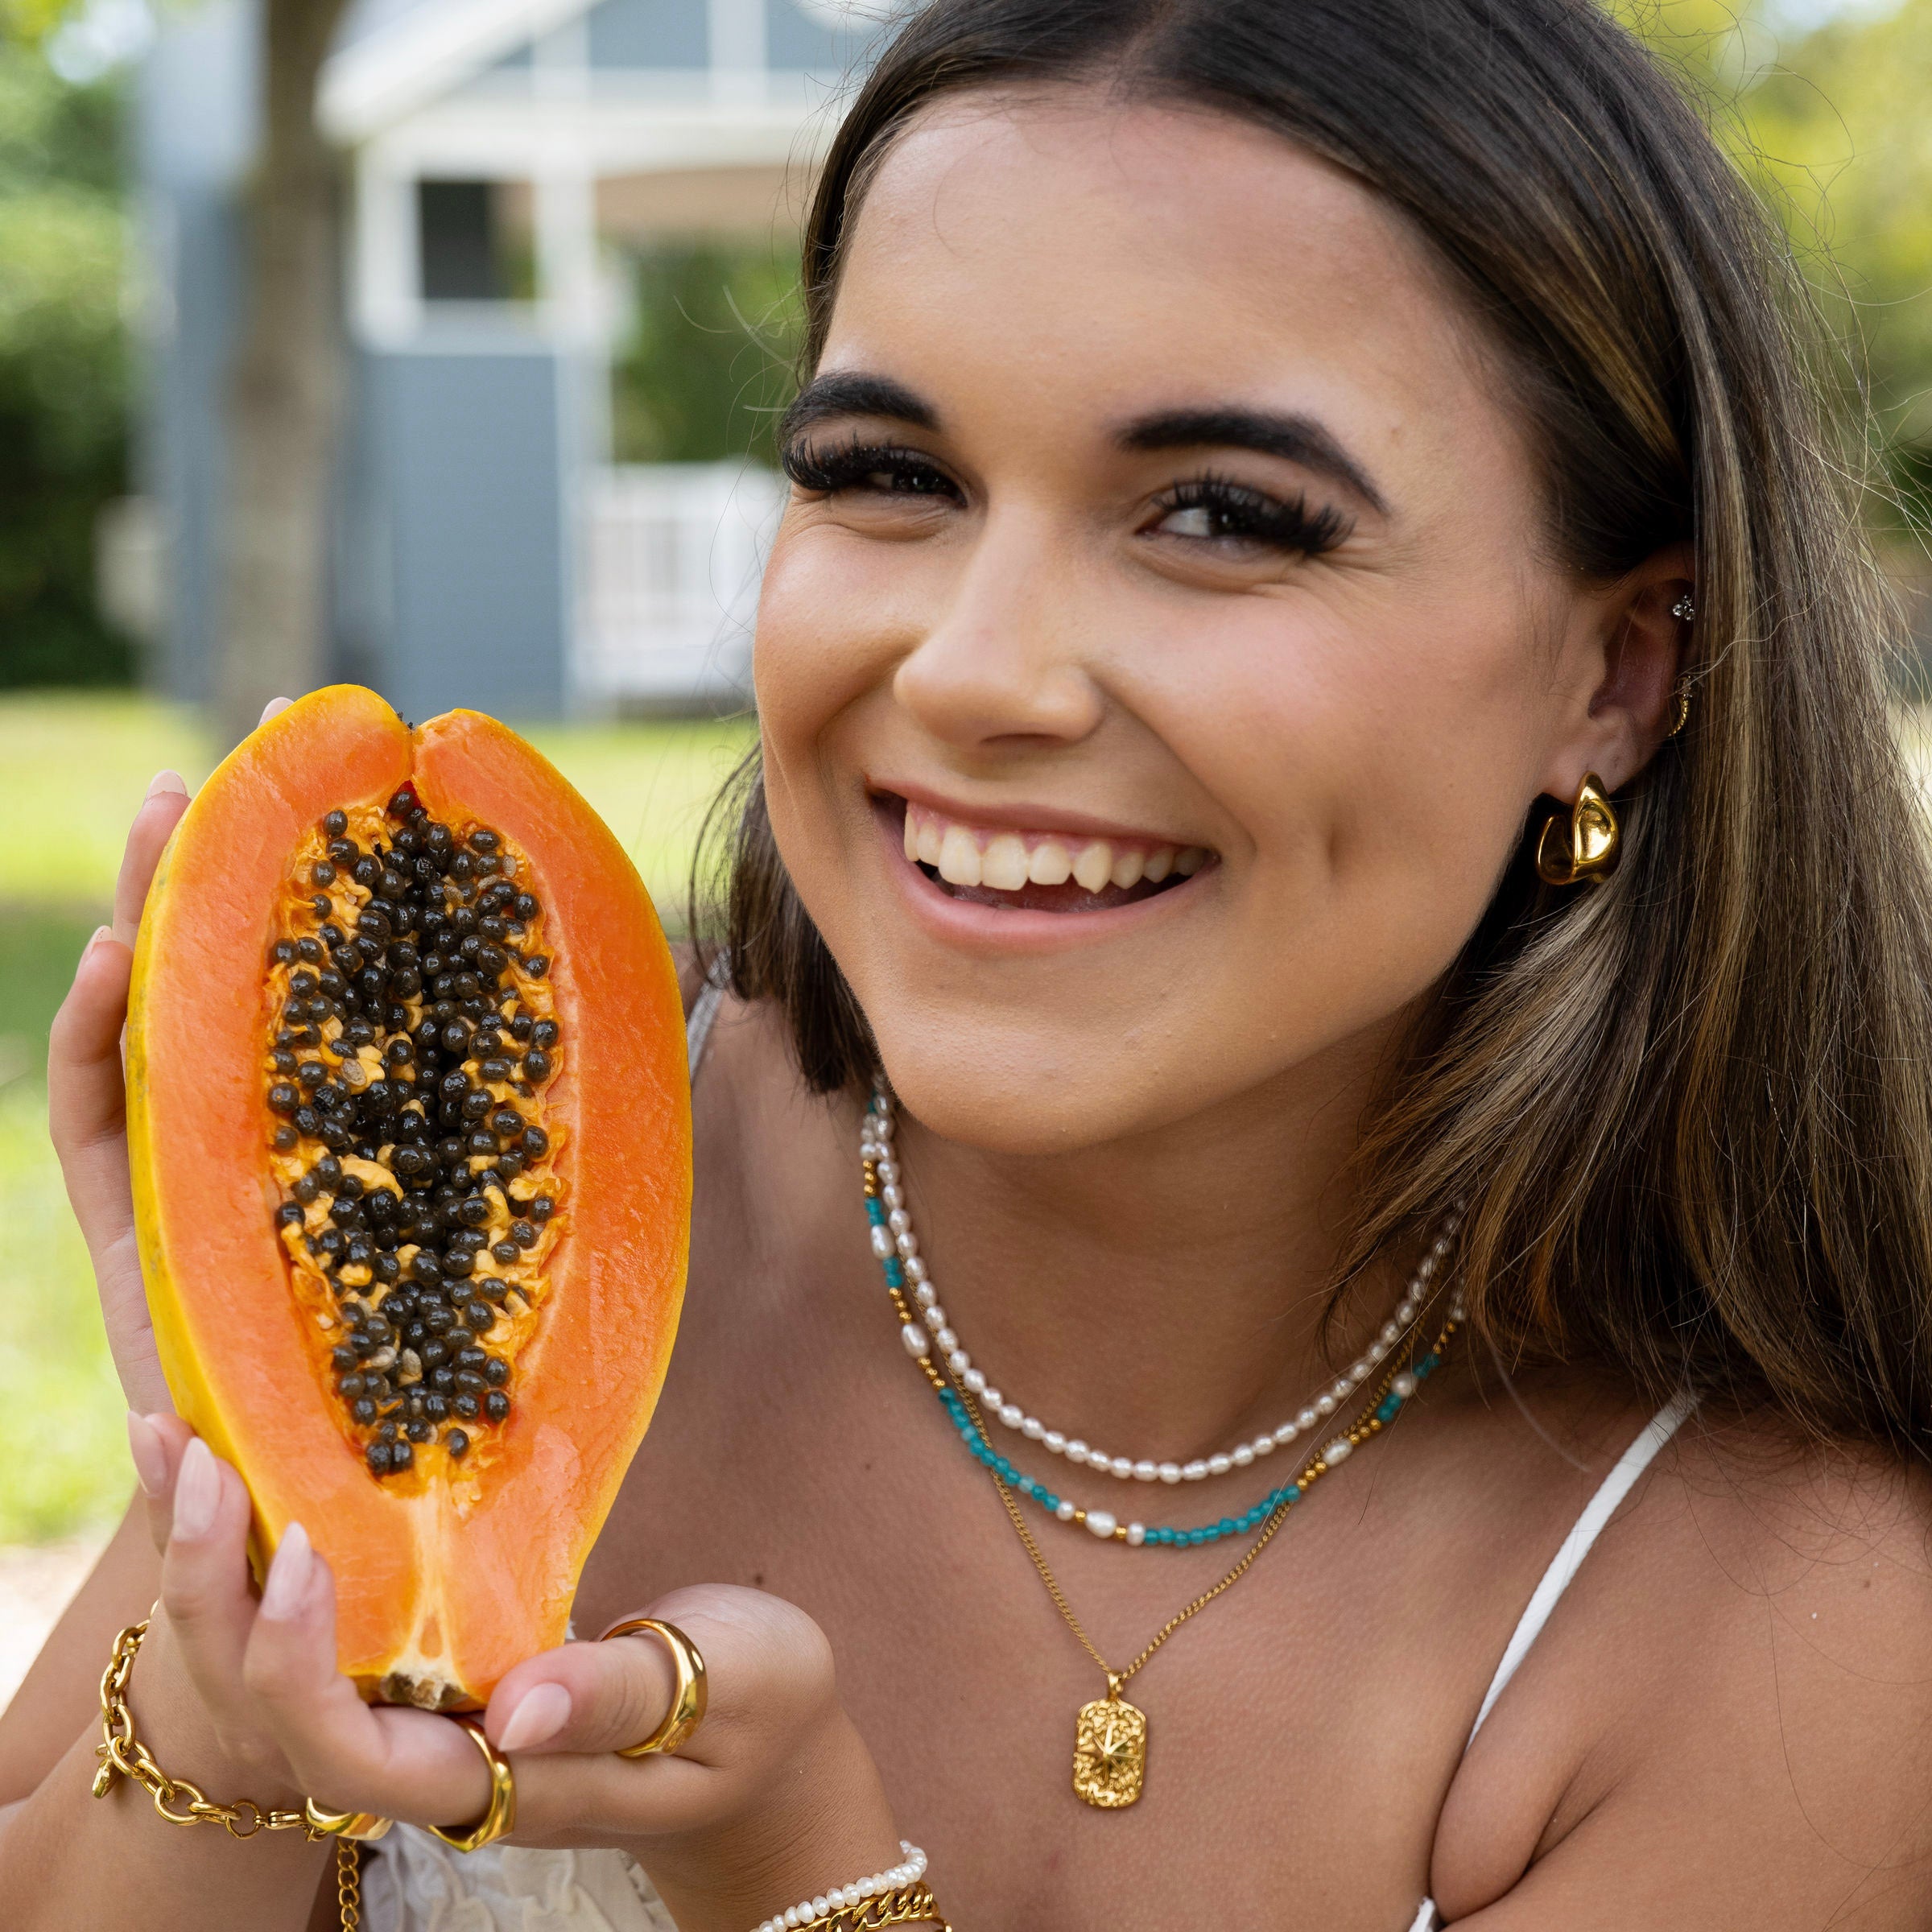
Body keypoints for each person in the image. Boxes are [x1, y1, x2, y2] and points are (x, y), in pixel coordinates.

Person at [8, 0, 1932, 1923]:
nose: (973, 674)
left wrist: (799, 1877)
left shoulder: (1807, 1634)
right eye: (888, 474)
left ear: (1619, 674)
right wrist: (249, 1623)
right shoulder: (551, 1191)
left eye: (1223, 515)